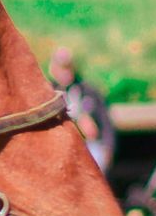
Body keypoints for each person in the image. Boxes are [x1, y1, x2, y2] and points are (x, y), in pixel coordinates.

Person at [47, 46, 116, 177]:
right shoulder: (49, 94)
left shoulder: (89, 91)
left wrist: (108, 148)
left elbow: (106, 122)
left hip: (90, 146)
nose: (66, 73)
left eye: (68, 68)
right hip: (61, 147)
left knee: (96, 158)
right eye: (62, 68)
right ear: (53, 69)